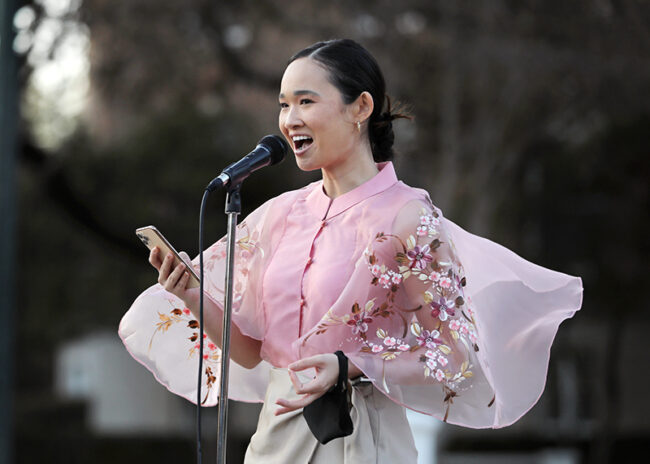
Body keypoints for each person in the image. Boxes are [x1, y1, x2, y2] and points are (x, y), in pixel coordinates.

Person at [119, 39, 583, 463]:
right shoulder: (280, 216)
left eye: (306, 101)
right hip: (275, 441)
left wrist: (349, 366)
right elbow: (251, 352)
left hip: (361, 437)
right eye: (283, 105)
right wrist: (192, 294)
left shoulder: (408, 218)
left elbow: (454, 353)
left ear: (360, 107)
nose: (289, 119)